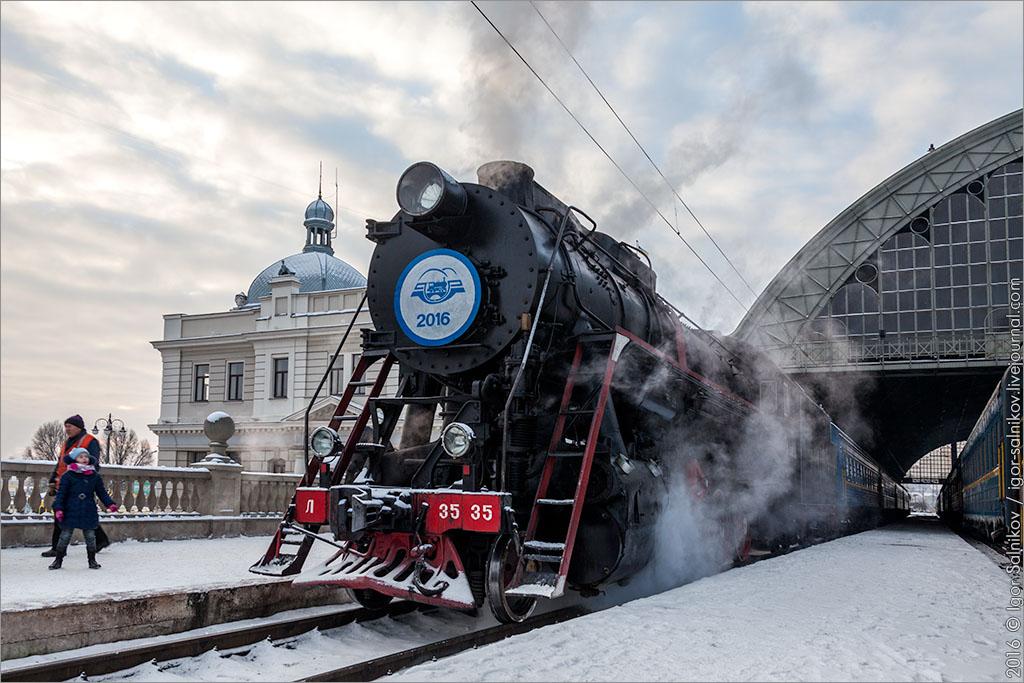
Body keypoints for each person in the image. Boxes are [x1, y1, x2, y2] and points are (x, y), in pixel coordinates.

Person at [42, 415, 110, 557]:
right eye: (65, 426)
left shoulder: (90, 441)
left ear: (78, 427)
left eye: (69, 426)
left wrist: (87, 482)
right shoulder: (67, 442)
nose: (67, 429)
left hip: (80, 485)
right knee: (65, 513)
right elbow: (61, 463)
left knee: (77, 513)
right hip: (66, 483)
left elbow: (93, 463)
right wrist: (53, 479)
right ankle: (100, 540)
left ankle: (58, 548)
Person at [49, 448, 117, 569]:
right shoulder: (68, 476)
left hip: (88, 510)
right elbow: (61, 494)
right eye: (81, 457)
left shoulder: (94, 476)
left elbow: (102, 492)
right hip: (71, 509)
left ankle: (92, 560)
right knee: (65, 536)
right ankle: (58, 560)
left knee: (90, 537)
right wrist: (59, 508)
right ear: (74, 459)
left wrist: (109, 504)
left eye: (86, 456)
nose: (84, 459)